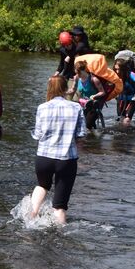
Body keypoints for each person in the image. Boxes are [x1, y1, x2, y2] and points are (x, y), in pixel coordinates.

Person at [29, 75, 87, 225]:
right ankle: (60, 235)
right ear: (65, 89)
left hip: (44, 158)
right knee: (60, 206)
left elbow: (37, 135)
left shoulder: (42, 107)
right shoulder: (76, 107)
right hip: (66, 159)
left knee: (42, 185)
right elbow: (81, 135)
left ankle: (30, 218)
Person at [67, 60, 106, 130]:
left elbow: (102, 92)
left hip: (95, 105)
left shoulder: (94, 79)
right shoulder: (76, 78)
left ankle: (93, 136)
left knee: (87, 124)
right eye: (76, 72)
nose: (77, 74)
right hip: (84, 104)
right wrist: (63, 92)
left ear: (84, 70)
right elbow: (73, 90)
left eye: (79, 72)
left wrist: (94, 96)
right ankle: (96, 136)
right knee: (85, 124)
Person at [113, 58, 135, 126]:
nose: (117, 71)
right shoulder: (115, 75)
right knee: (120, 118)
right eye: (116, 69)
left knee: (127, 119)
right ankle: (123, 132)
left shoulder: (131, 74)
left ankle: (127, 133)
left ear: (123, 68)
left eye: (119, 69)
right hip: (121, 99)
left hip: (132, 99)